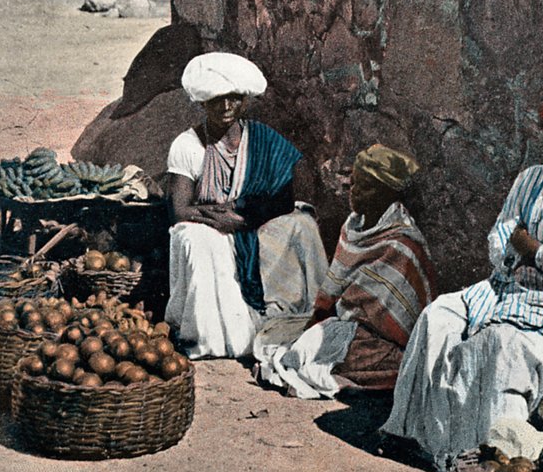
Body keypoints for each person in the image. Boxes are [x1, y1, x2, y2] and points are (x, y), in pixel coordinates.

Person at [381, 71, 543, 462]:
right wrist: (524, 249)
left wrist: (525, 244)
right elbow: (497, 240)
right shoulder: (529, 179)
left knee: (501, 345)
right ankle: (413, 432)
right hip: (503, 285)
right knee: (437, 316)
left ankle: (487, 453)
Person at [163, 51, 328, 359]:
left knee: (302, 225)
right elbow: (180, 210)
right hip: (211, 225)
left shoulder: (261, 137)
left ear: (244, 100)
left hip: (252, 218)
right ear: (202, 102)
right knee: (196, 239)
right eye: (217, 99)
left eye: (234, 98)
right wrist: (214, 217)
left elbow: (284, 197)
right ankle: (222, 336)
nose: (226, 107)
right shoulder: (187, 145)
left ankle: (311, 315)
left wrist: (244, 219)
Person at [253, 144, 438, 397]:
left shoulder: (402, 244)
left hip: (385, 340)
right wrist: (322, 322)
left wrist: (346, 324)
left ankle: (348, 380)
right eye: (353, 184)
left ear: (387, 194)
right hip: (346, 326)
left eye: (365, 187)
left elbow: (404, 318)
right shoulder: (352, 228)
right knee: (306, 346)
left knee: (339, 355)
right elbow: (332, 290)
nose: (354, 192)